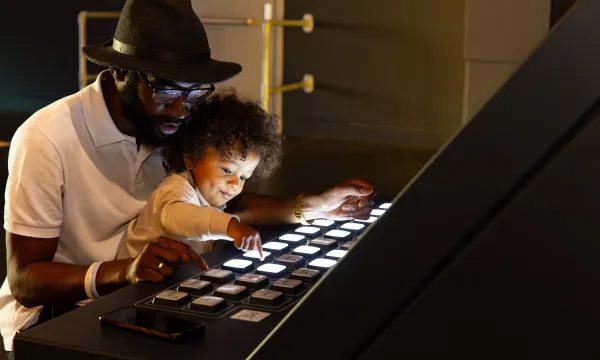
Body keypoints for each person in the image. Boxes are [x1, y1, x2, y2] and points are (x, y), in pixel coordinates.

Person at [0, 0, 374, 356]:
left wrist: (314, 207)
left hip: (146, 291)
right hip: (59, 314)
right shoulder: (46, 137)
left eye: (195, 92)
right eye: (166, 90)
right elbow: (27, 281)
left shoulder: (176, 120)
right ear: (119, 72)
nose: (181, 108)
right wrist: (126, 271)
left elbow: (218, 202)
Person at [118, 91, 283, 263]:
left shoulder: (207, 196)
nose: (235, 183)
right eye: (227, 170)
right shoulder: (175, 189)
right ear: (191, 158)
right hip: (133, 286)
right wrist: (229, 226)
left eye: (243, 177)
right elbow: (178, 216)